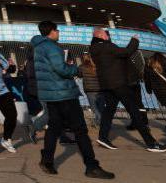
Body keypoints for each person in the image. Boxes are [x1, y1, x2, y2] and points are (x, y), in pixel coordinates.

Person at [33, 21, 114, 179]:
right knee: (80, 130)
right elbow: (60, 69)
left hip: (51, 95)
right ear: (51, 31)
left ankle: (47, 160)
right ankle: (91, 166)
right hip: (63, 94)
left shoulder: (38, 47)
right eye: (57, 30)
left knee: (54, 127)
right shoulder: (51, 47)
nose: (58, 32)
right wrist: (76, 70)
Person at [88, 28, 166, 153]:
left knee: (109, 111)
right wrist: (134, 40)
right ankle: (151, 143)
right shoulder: (106, 47)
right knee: (134, 111)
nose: (107, 36)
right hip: (118, 84)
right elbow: (127, 51)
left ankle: (103, 137)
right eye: (105, 34)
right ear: (100, 35)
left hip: (107, 85)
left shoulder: (94, 49)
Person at [80, 53, 105, 129]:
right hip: (100, 89)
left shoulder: (82, 67)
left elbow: (79, 75)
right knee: (100, 107)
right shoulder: (97, 66)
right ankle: (99, 123)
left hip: (90, 90)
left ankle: (100, 121)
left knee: (94, 108)